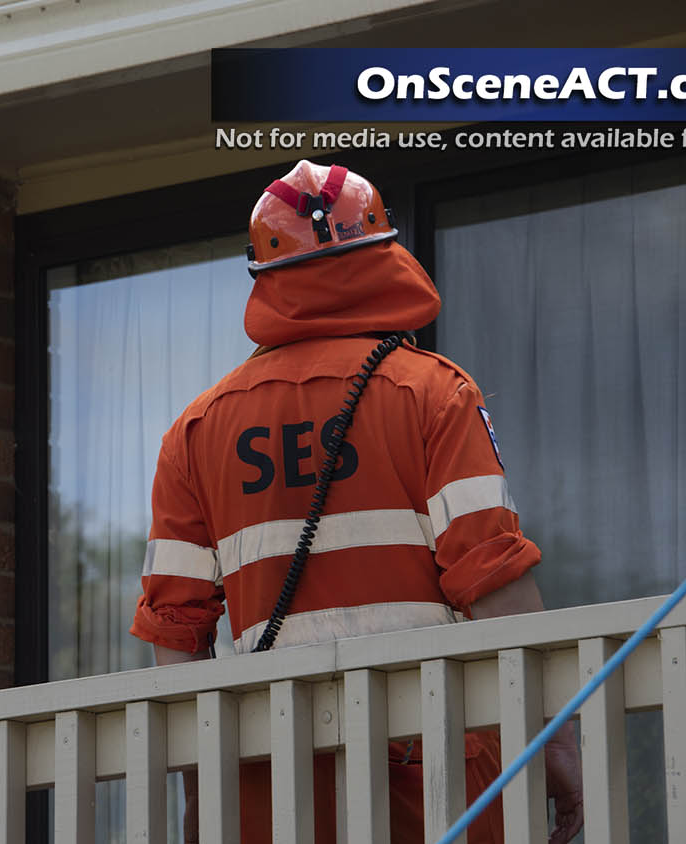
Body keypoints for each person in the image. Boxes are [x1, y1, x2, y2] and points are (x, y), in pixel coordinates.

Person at [130, 161, 583, 844]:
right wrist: (557, 745)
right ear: (382, 255)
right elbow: (498, 592)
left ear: (266, 279)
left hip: (269, 789)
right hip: (433, 777)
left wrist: (209, 801)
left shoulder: (196, 430)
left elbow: (176, 641)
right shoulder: (434, 394)